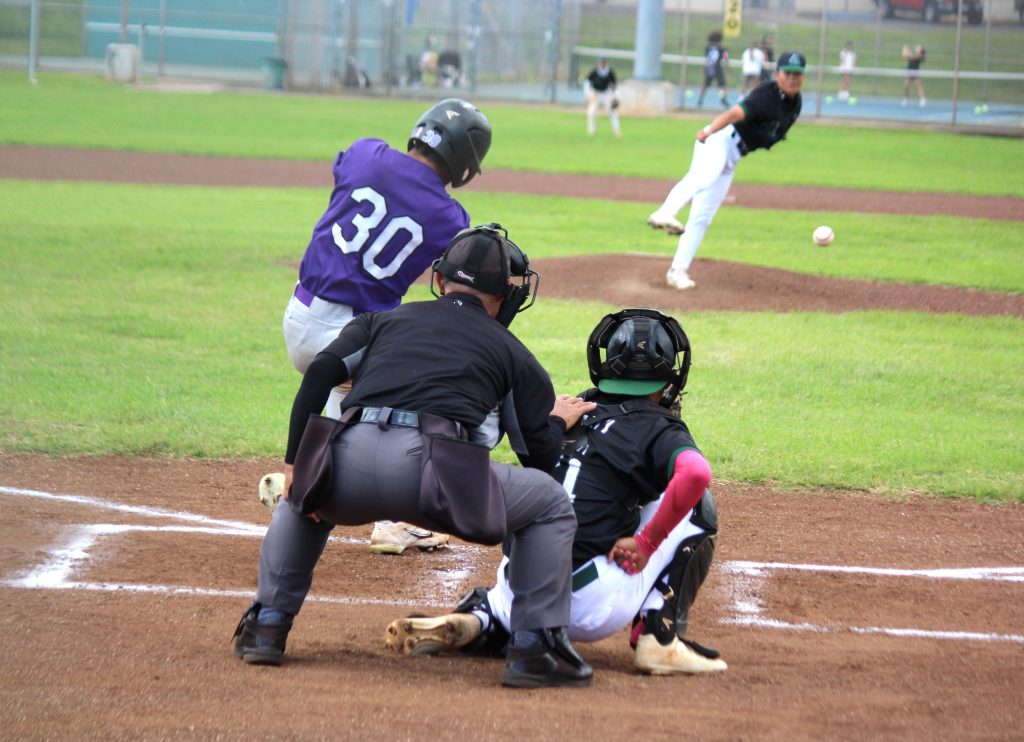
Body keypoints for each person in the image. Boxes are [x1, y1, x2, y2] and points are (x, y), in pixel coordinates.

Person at [232, 224, 598, 689]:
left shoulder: (382, 321)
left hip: (350, 461)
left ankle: (266, 624)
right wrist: (557, 421)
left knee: (304, 496)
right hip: (437, 478)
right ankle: (534, 648)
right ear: (507, 297)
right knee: (548, 503)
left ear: (440, 280)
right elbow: (540, 458)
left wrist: (295, 464)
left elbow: (321, 370)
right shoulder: (512, 352)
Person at [384, 308, 727, 676]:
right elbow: (696, 474)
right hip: (591, 606)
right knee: (696, 503)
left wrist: (553, 421)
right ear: (669, 378)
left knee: (555, 500)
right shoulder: (660, 426)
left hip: (521, 590)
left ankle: (486, 617)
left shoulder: (574, 408)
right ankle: (660, 637)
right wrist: (645, 544)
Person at [273, 98, 491, 555]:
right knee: (412, 399)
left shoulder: (366, 153)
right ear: (464, 162)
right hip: (354, 334)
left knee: (345, 406)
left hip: (300, 314)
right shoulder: (451, 217)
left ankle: (306, 476)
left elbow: (349, 181)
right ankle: (394, 522)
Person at [647, 51, 806, 291]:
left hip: (733, 156)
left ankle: (677, 271)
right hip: (720, 138)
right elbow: (733, 114)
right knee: (704, 176)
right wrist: (709, 131)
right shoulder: (767, 94)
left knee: (703, 216)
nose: (792, 78)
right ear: (777, 75)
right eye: (788, 73)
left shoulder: (795, 103)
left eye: (797, 74)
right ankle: (664, 212)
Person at [583, 57, 622, 137]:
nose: (602, 64)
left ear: (606, 63)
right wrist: (587, 94)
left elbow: (614, 85)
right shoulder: (594, 71)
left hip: (606, 93)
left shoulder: (610, 72)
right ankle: (591, 131)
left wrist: (616, 96)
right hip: (596, 93)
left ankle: (616, 131)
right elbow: (587, 82)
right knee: (591, 112)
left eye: (603, 62)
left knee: (612, 112)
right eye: (601, 62)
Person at [696, 31, 730, 108]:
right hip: (717, 68)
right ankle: (723, 99)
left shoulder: (708, 47)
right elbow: (726, 57)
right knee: (723, 85)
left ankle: (700, 99)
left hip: (710, 67)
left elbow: (707, 57)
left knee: (705, 84)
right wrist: (727, 65)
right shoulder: (721, 48)